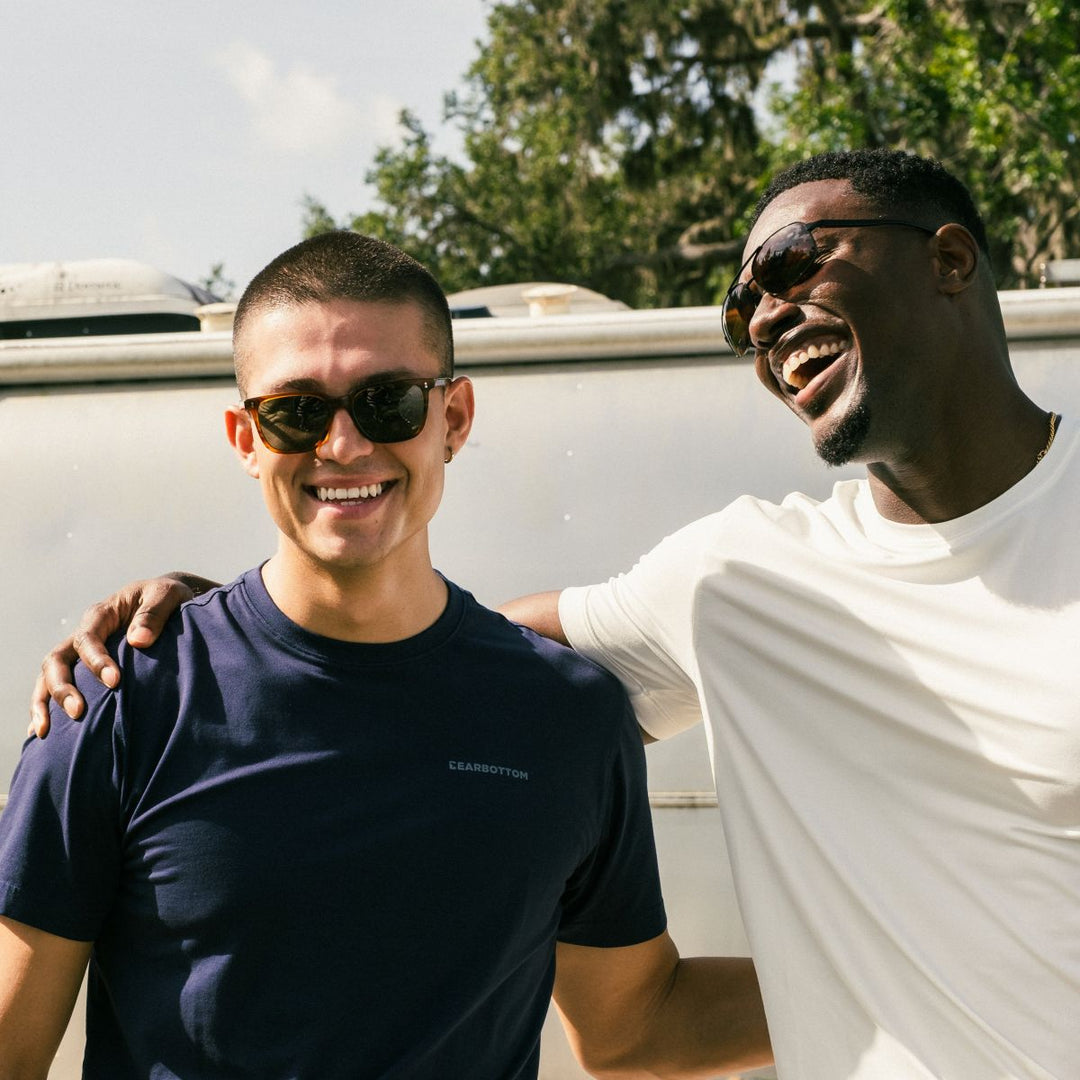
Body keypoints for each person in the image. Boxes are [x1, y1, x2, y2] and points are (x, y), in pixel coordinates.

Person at [28, 147, 1079, 1078]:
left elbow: (477, 672)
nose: (763, 313)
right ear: (247, 435)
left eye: (796, 260)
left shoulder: (650, 649)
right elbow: (435, 655)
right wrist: (229, 623)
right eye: (297, 414)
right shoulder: (744, 575)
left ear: (949, 260)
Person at [1, 232, 771, 1079]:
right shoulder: (121, 696)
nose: (342, 445)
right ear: (244, 437)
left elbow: (635, 1026)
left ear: (455, 419)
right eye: (295, 410)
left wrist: (907, 968)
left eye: (388, 402)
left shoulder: (567, 714)